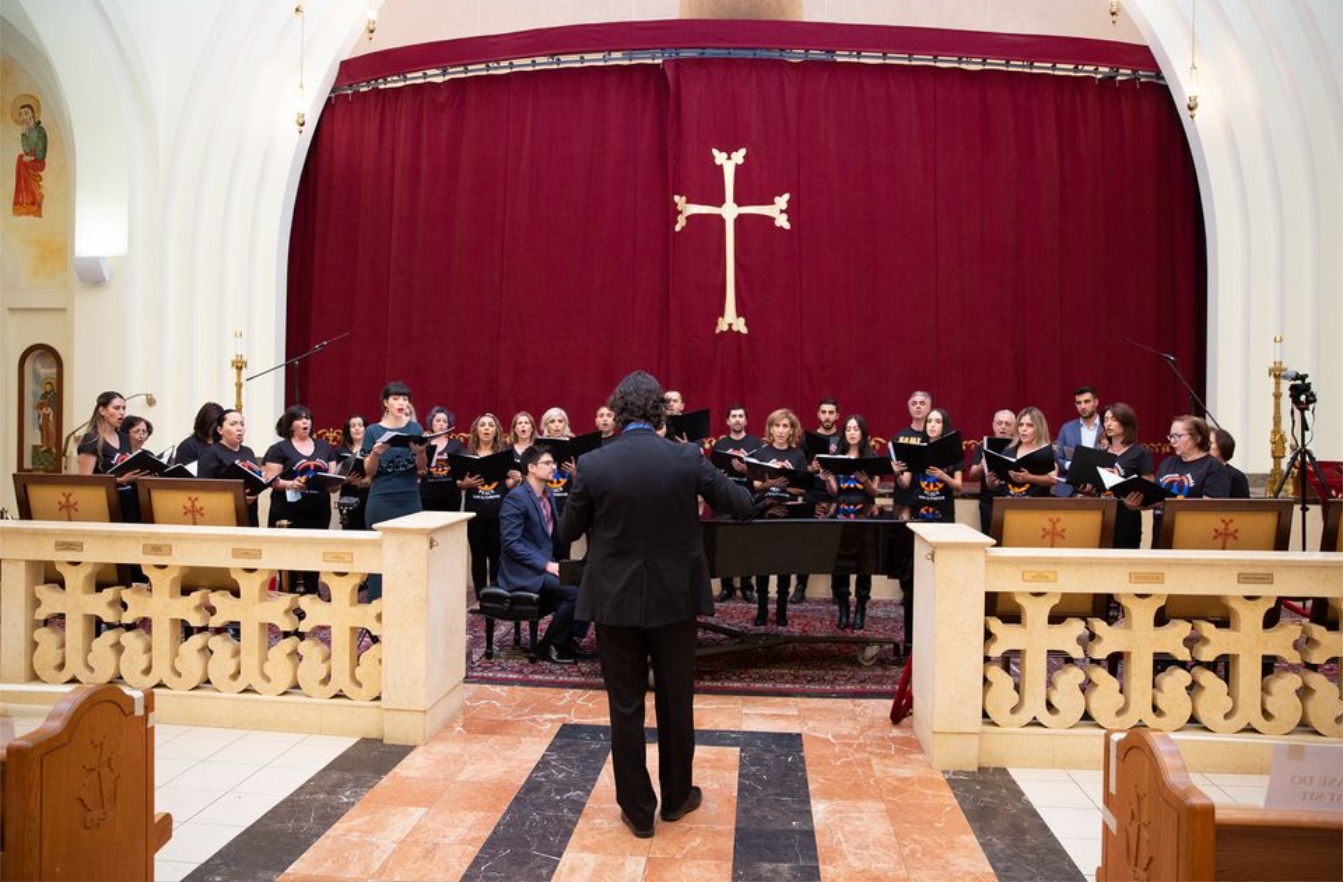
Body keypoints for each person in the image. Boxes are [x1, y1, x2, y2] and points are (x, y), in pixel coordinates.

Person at [557, 370, 751, 839]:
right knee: (675, 701)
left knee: (625, 707)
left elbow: (565, 535)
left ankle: (638, 811)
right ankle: (678, 797)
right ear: (661, 414)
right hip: (674, 601)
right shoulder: (687, 458)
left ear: (618, 415)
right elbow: (740, 504)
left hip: (614, 603)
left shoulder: (593, 464)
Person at [499, 445, 591, 664]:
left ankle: (568, 639)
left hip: (544, 565)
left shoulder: (547, 495)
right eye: (547, 463)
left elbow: (555, 536)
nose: (554, 467)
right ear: (531, 467)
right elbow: (511, 544)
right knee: (574, 593)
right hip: (522, 571)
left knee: (590, 582)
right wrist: (547, 565)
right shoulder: (516, 498)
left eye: (553, 463)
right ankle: (550, 644)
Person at [362, 382, 428, 598]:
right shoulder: (373, 430)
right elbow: (369, 473)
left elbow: (421, 470)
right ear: (386, 403)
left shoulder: (415, 429)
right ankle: (377, 606)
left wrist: (419, 453)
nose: (401, 403)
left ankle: (409, 601)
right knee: (380, 551)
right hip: (382, 498)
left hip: (409, 496)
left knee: (411, 551)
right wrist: (376, 454)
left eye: (405, 399)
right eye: (396, 398)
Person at [751, 407, 808, 627]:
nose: (781, 430)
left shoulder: (797, 455)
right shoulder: (762, 453)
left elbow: (801, 490)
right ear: (771, 429)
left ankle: (782, 610)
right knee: (762, 564)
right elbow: (756, 486)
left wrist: (787, 479)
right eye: (777, 426)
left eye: (786, 426)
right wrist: (771, 483)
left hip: (787, 513)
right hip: (765, 512)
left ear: (792, 430)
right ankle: (762, 610)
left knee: (784, 563)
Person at [823, 415, 881, 629]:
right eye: (848, 428)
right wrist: (827, 478)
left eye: (856, 428)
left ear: (863, 432)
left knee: (864, 565)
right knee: (841, 566)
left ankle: (861, 609)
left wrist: (865, 481)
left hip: (864, 515)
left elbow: (875, 492)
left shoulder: (871, 457)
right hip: (841, 514)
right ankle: (843, 609)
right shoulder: (838, 457)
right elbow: (834, 492)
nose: (852, 432)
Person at [459, 413, 519, 591]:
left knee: (496, 557)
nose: (486, 428)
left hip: (498, 513)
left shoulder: (504, 455)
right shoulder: (466, 455)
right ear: (476, 431)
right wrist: (465, 484)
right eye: (482, 425)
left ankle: (495, 594)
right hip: (475, 514)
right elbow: (460, 484)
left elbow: (508, 483)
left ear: (496, 431)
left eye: (490, 425)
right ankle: (480, 597)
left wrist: (515, 480)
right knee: (478, 557)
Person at [710, 404, 762, 603]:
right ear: (727, 421)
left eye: (741, 416)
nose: (737, 419)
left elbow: (761, 476)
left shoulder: (756, 444)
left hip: (748, 499)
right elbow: (711, 474)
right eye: (734, 416)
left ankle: (747, 587)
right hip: (723, 500)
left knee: (746, 545)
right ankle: (727, 587)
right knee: (725, 546)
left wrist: (744, 471)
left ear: (746, 421)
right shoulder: (720, 445)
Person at [793, 398, 842, 603]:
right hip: (812, 496)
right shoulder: (807, 439)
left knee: (836, 546)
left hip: (837, 496)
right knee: (806, 544)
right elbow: (798, 469)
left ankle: (837, 590)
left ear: (837, 416)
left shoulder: (843, 439)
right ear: (818, 414)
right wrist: (811, 469)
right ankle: (800, 586)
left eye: (831, 412)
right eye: (824, 412)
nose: (827, 416)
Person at [1089, 403, 1155, 549]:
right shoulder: (1102, 453)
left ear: (1126, 422)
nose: (1108, 424)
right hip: (1102, 515)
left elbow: (1149, 484)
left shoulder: (1139, 453)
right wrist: (1086, 486)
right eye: (1105, 420)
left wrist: (1120, 481)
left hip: (1127, 516)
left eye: (1113, 419)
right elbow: (1095, 488)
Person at [77, 390, 145, 521]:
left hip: (130, 501)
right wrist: (119, 481)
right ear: (102, 411)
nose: (122, 413)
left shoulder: (125, 438)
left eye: (124, 408)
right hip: (105, 505)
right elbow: (85, 481)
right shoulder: (91, 440)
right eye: (116, 408)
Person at [196, 408, 264, 526]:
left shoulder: (248, 452)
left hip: (249, 513)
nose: (239, 428)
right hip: (222, 515)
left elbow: (256, 478)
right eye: (233, 424)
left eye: (242, 424)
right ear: (220, 429)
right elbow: (204, 488)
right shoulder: (211, 453)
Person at [899, 408, 963, 524]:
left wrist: (943, 476)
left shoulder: (953, 452)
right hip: (918, 510)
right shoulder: (914, 451)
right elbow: (905, 484)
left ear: (945, 426)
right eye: (929, 421)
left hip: (943, 511)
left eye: (938, 422)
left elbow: (958, 487)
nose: (932, 425)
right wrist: (897, 473)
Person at [983, 407, 1058, 499]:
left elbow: (1053, 479)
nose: (1023, 429)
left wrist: (1029, 477)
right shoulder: (1009, 450)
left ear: (1039, 428)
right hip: (1009, 504)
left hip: (1036, 506)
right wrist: (991, 482)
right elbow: (997, 484)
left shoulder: (1047, 451)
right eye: (1021, 425)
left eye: (1029, 425)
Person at [967, 409, 1017, 534]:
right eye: (999, 423)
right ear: (993, 425)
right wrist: (981, 466)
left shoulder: (1020, 446)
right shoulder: (982, 446)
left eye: (1007, 424)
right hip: (989, 502)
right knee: (990, 539)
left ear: (1015, 427)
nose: (1003, 427)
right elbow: (972, 476)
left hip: (1014, 500)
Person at [889, 391, 933, 519]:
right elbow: (902, 478)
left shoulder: (935, 437)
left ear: (929, 407)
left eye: (922, 403)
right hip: (903, 501)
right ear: (909, 408)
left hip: (930, 499)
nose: (918, 406)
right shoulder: (899, 438)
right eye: (914, 404)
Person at [1053, 386, 1103, 497]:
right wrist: (1069, 465)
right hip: (1070, 491)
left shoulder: (1107, 428)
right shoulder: (1067, 429)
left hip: (1101, 490)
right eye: (1078, 403)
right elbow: (1057, 457)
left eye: (1087, 401)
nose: (1083, 406)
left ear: (1096, 402)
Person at [420, 406, 464, 513]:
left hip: (451, 495)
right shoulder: (424, 444)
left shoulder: (456, 445)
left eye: (444, 421)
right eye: (438, 420)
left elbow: (461, 469)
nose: (441, 424)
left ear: (448, 425)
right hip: (427, 495)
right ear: (431, 423)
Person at [336, 414, 372, 530]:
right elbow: (333, 477)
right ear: (348, 430)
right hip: (348, 497)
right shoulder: (341, 451)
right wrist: (345, 480)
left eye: (360, 425)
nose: (357, 428)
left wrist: (367, 480)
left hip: (369, 497)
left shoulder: (374, 449)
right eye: (353, 426)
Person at [12, 100, 47, 218]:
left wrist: (31, 158)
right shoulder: (27, 131)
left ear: (32, 114)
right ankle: (25, 200)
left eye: (26, 113)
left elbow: (41, 153)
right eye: (20, 114)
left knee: (21, 160)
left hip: (39, 161)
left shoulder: (40, 130)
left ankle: (30, 199)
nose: (23, 117)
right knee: (20, 159)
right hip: (30, 159)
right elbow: (26, 150)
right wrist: (23, 133)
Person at [174, 402, 225, 467]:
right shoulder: (188, 447)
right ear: (204, 424)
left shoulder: (223, 444)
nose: (217, 429)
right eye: (213, 426)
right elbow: (181, 474)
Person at [1211, 428, 1251, 498]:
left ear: (1222, 445)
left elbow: (1244, 506)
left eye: (1210, 443)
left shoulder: (1236, 476)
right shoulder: (1199, 472)